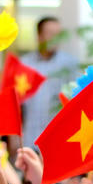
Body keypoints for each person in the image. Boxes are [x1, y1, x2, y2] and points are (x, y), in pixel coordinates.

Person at [19, 17, 79, 149]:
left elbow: (75, 102)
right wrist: (14, 138)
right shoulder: (24, 64)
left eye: (58, 34)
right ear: (39, 36)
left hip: (59, 140)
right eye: (50, 33)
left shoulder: (69, 64)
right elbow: (16, 103)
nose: (55, 38)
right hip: (31, 138)